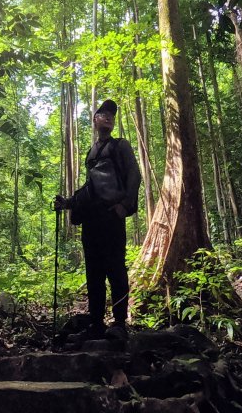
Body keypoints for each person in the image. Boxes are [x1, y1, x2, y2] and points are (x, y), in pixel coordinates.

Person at [54, 99, 142, 341]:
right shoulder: (91, 152)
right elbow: (91, 187)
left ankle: (120, 322)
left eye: (112, 115)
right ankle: (95, 321)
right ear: (94, 119)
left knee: (116, 269)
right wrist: (69, 202)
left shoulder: (120, 145)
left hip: (112, 217)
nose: (109, 118)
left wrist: (125, 206)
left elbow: (135, 175)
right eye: (104, 114)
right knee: (94, 272)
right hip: (92, 221)